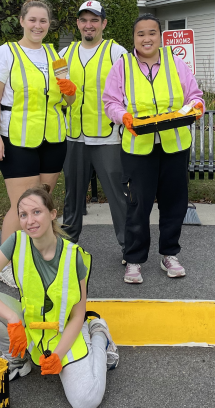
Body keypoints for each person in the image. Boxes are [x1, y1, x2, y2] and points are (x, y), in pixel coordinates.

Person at [0, 185, 119, 408]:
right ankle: (18, 360)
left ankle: (99, 335)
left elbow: (78, 315)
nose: (30, 221)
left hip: (64, 332)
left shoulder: (74, 256)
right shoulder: (16, 242)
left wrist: (57, 355)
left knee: (86, 401)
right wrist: (12, 319)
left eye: (37, 212)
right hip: (31, 326)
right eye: (23, 215)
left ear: (52, 213)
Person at [103, 14, 204, 284]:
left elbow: (194, 95)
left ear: (160, 37)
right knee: (138, 204)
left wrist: (197, 107)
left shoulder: (176, 62)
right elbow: (110, 101)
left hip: (175, 145)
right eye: (140, 34)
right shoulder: (122, 65)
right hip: (138, 147)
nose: (146, 38)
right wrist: (122, 116)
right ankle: (134, 259)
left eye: (152, 33)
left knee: (174, 203)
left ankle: (170, 254)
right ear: (133, 38)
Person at [0, 0, 77, 289]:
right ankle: (5, 266)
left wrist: (71, 92)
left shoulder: (55, 55)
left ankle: (38, 259)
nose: (38, 26)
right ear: (22, 21)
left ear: (50, 25)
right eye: (33, 20)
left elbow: (69, 99)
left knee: (41, 205)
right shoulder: (6, 53)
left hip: (53, 139)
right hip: (17, 140)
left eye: (44, 21)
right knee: (21, 206)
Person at [59, 0, 127, 256]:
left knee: (118, 195)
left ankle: (129, 247)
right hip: (74, 135)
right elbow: (61, 95)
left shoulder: (116, 52)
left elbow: (127, 90)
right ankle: (67, 246)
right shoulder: (65, 54)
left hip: (107, 136)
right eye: (84, 20)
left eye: (94, 20)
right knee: (72, 197)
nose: (89, 25)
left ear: (103, 23)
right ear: (77, 23)